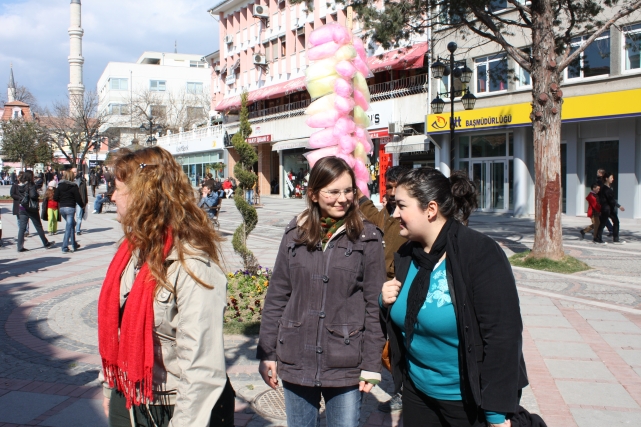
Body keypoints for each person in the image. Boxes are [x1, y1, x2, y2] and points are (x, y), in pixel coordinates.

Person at [381, 168, 527, 427]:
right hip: (417, 393)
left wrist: (495, 412)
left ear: (431, 209)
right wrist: (384, 301)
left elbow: (503, 336)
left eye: (401, 206)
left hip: (467, 400)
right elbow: (399, 319)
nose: (394, 214)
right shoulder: (406, 254)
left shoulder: (479, 253)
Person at [98, 146, 233, 426]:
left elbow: (201, 370)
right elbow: (118, 329)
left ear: (142, 196)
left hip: (172, 404)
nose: (112, 197)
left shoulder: (192, 265)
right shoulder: (132, 251)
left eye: (118, 189)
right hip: (129, 392)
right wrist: (109, 386)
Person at [257, 156, 386, 427]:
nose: (343, 198)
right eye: (333, 191)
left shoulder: (367, 237)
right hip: (296, 355)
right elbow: (278, 295)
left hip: (345, 360)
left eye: (348, 190)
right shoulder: (295, 233)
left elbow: (374, 306)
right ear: (314, 194)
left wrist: (371, 363)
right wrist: (268, 352)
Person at [357, 165, 410, 413]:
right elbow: (371, 214)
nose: (391, 192)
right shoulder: (387, 212)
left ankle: (403, 392)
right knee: (385, 340)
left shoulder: (408, 216)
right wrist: (359, 195)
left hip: (403, 288)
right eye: (388, 187)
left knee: (401, 343)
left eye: (395, 187)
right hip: (382, 289)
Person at [16, 170, 54, 252]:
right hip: (31, 208)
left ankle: (19, 246)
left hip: (22, 207)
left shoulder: (19, 184)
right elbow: (33, 195)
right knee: (38, 226)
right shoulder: (30, 185)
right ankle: (46, 243)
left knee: (22, 228)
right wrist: (37, 194)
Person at [54, 170, 84, 253]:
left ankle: (74, 244)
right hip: (70, 208)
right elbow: (78, 198)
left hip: (62, 208)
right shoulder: (73, 186)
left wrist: (62, 200)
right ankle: (65, 247)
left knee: (71, 225)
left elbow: (55, 197)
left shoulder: (60, 186)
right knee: (68, 228)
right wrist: (82, 205)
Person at [596, 171, 625, 244]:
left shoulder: (608, 188)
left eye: (613, 178)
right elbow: (611, 200)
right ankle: (598, 238)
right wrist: (619, 206)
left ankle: (616, 239)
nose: (613, 179)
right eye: (611, 178)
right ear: (606, 178)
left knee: (616, 222)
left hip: (610, 208)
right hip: (606, 208)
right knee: (603, 223)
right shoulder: (605, 189)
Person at [595, 169, 614, 236]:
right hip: (604, 203)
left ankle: (610, 230)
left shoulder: (600, 181)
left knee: (602, 218)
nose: (597, 174)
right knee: (603, 218)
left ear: (600, 173)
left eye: (598, 172)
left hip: (603, 203)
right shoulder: (602, 181)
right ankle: (610, 230)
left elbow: (600, 191)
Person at [74, 168, 88, 235]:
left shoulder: (82, 181)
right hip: (74, 200)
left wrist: (85, 201)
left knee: (78, 216)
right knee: (75, 216)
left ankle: (77, 230)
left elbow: (84, 192)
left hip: (79, 200)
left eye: (75, 172)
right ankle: (75, 228)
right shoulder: (70, 181)